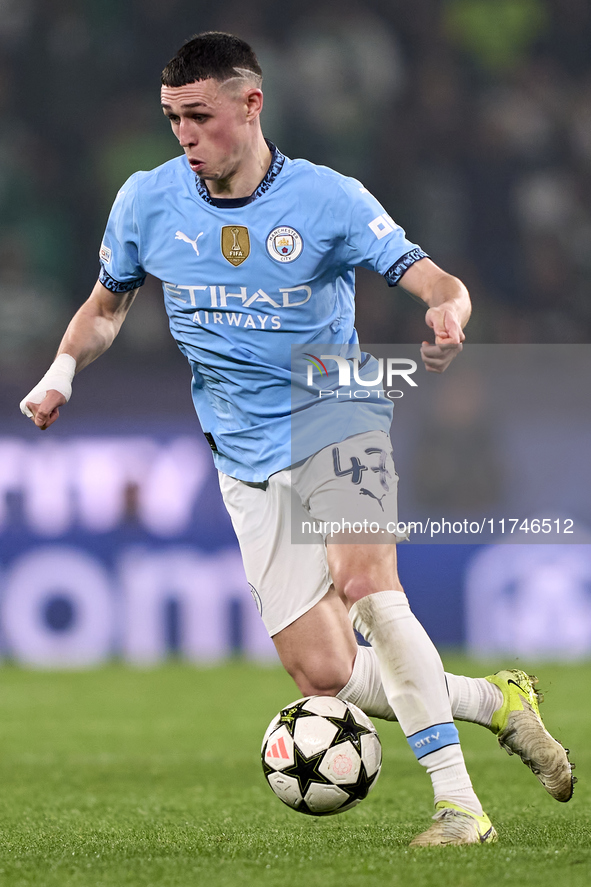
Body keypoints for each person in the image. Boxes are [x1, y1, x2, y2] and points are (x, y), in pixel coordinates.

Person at [19, 32, 574, 846]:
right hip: (239, 451)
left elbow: (434, 279)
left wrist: (447, 310)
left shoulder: (328, 199)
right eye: (173, 118)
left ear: (251, 105)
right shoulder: (146, 199)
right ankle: (498, 704)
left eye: (199, 117)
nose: (183, 136)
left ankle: (459, 807)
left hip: (334, 407)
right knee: (327, 673)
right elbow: (107, 307)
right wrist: (62, 370)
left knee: (366, 584)